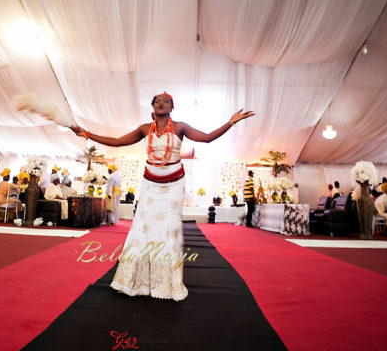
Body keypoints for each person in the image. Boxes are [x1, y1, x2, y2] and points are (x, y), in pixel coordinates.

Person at [70, 92, 254, 301]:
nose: (161, 103)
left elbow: (208, 137)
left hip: (174, 183)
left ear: (171, 107)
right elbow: (117, 141)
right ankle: (135, 280)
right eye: (157, 100)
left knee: (169, 227)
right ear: (153, 107)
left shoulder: (180, 127)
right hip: (150, 183)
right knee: (143, 226)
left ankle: (167, 283)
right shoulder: (144, 129)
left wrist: (231, 122)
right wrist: (87, 134)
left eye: (165, 101)